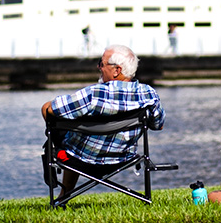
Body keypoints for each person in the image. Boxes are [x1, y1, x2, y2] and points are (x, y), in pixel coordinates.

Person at [42, 44, 165, 202]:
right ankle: (145, 197)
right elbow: (158, 125)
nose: (99, 68)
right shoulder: (149, 94)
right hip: (122, 158)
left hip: (81, 160)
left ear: (116, 70)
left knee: (70, 142)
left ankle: (63, 196)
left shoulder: (94, 94)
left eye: (102, 64)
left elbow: (48, 109)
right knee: (75, 142)